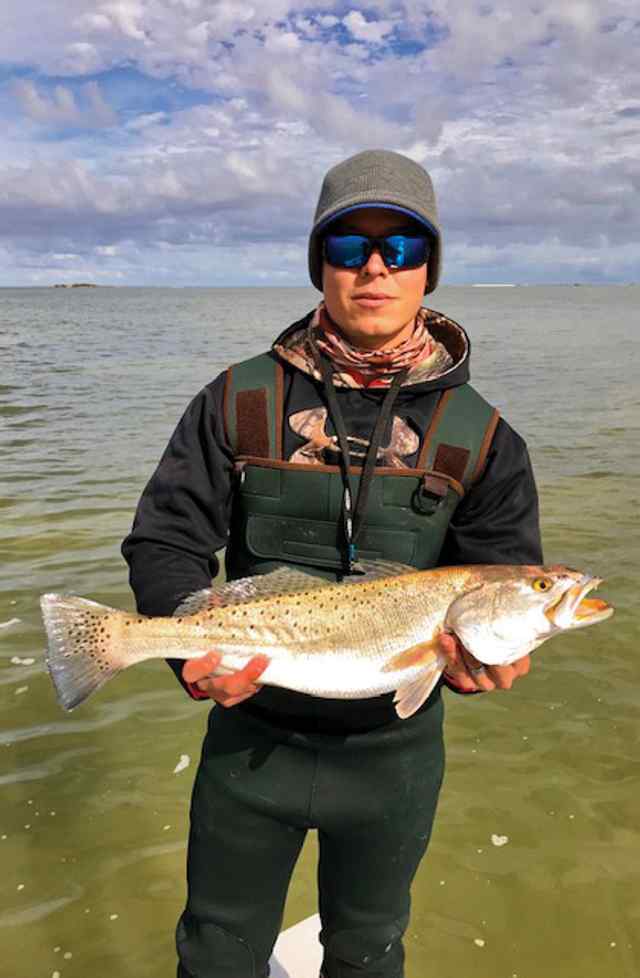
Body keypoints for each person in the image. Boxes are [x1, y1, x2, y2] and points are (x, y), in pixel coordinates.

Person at [122, 149, 542, 978]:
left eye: (402, 247)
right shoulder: (237, 399)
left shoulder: (484, 437)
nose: (376, 267)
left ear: (430, 269)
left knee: (368, 954)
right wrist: (185, 638)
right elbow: (167, 537)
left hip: (394, 759)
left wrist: (493, 660)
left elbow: (497, 581)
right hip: (248, 746)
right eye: (349, 246)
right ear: (321, 265)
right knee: (213, 954)